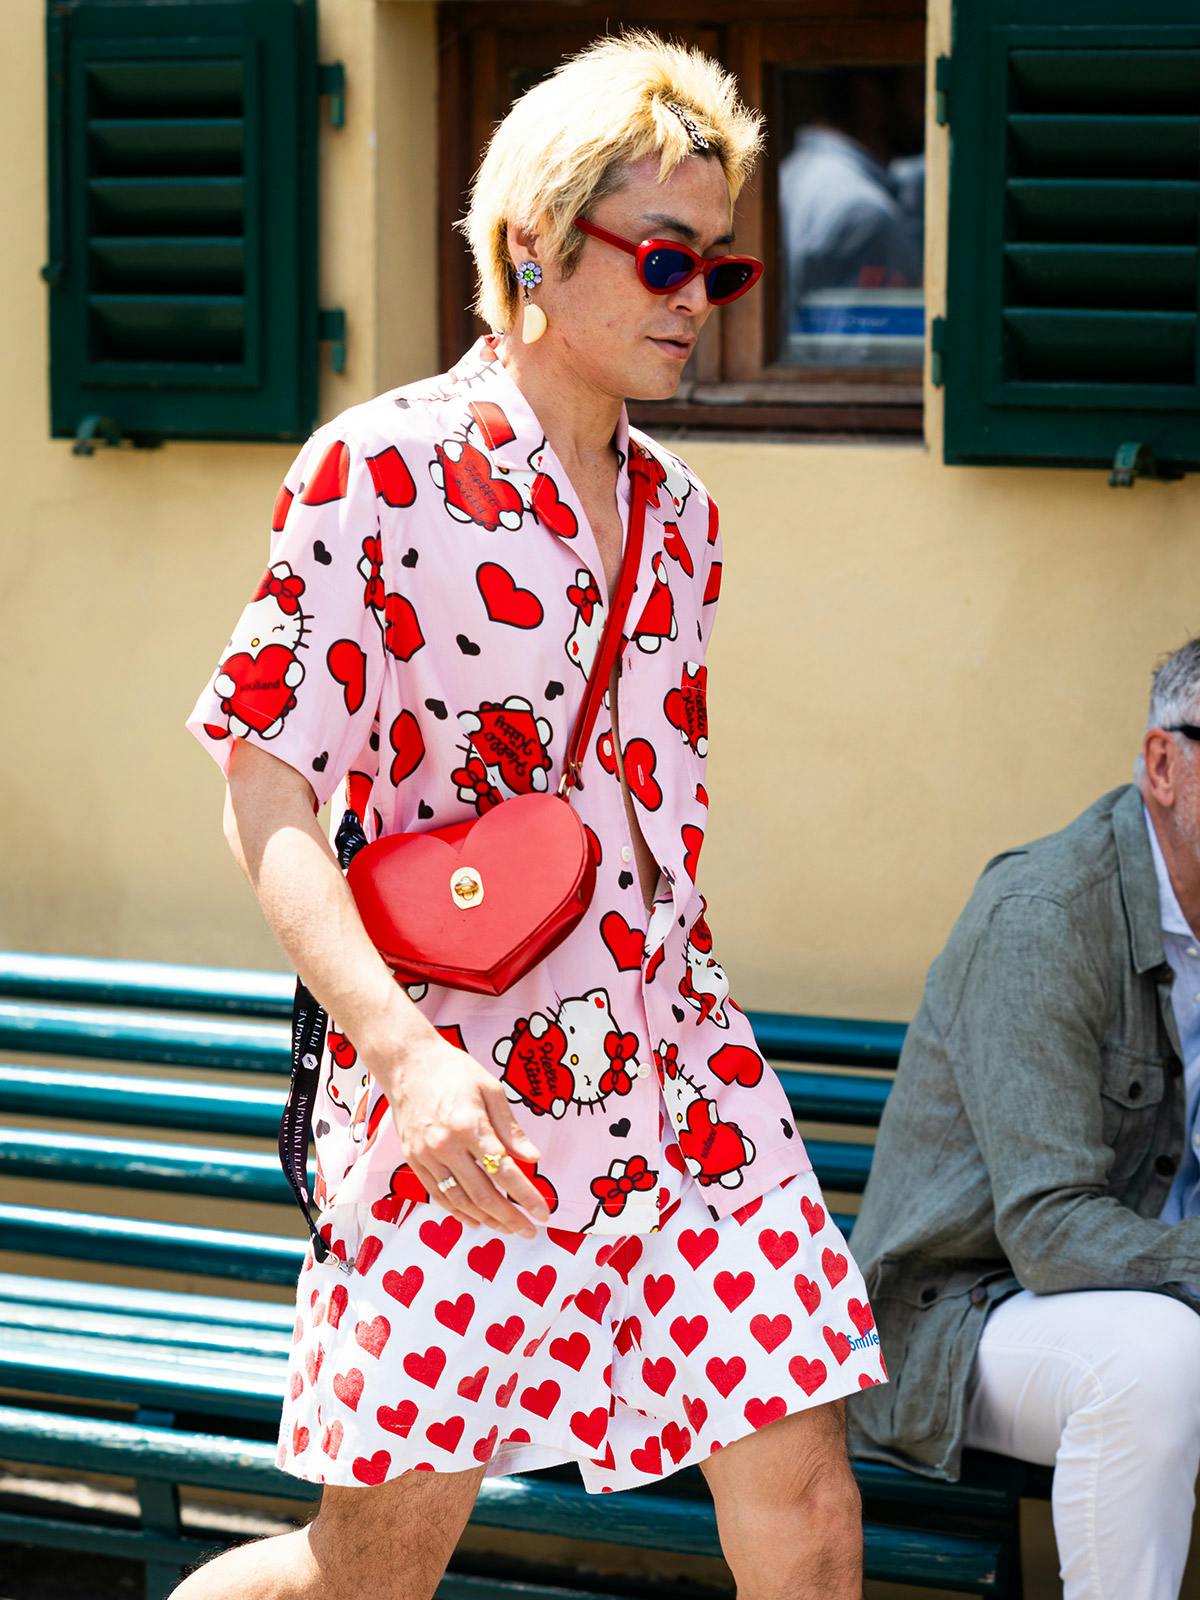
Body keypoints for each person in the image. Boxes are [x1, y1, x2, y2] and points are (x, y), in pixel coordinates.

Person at [175, 31, 886, 1600]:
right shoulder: (377, 474)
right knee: (367, 1572)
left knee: (814, 1511)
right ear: (532, 253)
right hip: (463, 1095)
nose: (703, 301)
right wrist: (403, 1059)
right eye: (665, 259)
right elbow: (264, 784)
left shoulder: (688, 526)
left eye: (722, 266)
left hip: (686, 1080)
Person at [847, 638, 1200, 1600]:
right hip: (962, 1313)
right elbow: (1047, 1231)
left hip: (1161, 1289)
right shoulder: (1046, 913)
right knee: (1155, 1363)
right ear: (1165, 765)